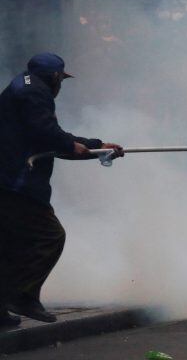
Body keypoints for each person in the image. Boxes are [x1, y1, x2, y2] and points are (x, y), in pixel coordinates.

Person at [0, 53, 124, 327]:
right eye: (61, 79)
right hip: (16, 183)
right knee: (49, 237)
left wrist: (99, 147)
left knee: (10, 244)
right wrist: (72, 145)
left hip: (10, 180)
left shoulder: (23, 86)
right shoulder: (35, 93)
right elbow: (49, 135)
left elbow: (50, 141)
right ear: (55, 77)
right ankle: (21, 296)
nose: (61, 86)